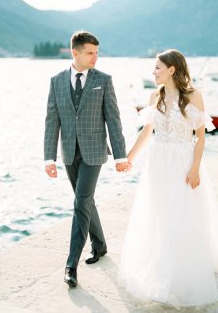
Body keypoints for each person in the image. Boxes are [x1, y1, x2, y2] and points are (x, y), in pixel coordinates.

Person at [119, 49, 218, 307]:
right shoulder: (155, 96)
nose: (153, 72)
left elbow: (200, 136)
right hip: (158, 163)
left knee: (183, 213)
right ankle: (162, 272)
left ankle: (185, 273)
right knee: (161, 214)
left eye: (157, 68)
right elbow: (147, 132)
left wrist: (195, 168)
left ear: (172, 69)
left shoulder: (193, 96)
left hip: (183, 162)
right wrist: (129, 157)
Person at [44, 30, 130, 287]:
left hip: (94, 152)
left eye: (96, 52)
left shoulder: (103, 80)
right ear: (75, 52)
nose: (95, 57)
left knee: (80, 202)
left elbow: (113, 119)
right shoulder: (56, 81)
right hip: (69, 152)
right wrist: (48, 158)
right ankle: (100, 245)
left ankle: (71, 265)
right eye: (90, 53)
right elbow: (52, 121)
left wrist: (120, 155)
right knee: (86, 200)